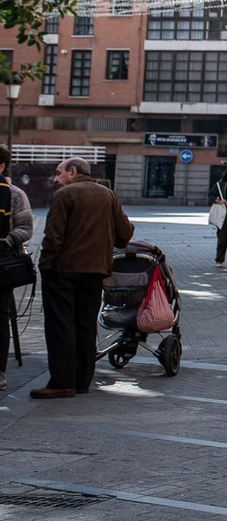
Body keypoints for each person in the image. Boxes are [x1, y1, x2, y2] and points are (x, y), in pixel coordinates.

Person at [33, 158, 133, 399]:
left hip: (64, 270)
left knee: (60, 325)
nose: (57, 179)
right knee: (86, 325)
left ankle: (62, 381)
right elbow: (124, 235)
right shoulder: (108, 195)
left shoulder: (64, 195)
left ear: (73, 172)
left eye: (59, 173)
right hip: (96, 270)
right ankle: (82, 380)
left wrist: (45, 266)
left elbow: (53, 236)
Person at [1, 167, 35, 394]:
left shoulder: (14, 194)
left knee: (0, 317)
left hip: (1, 263)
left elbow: (26, 227)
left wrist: (8, 241)